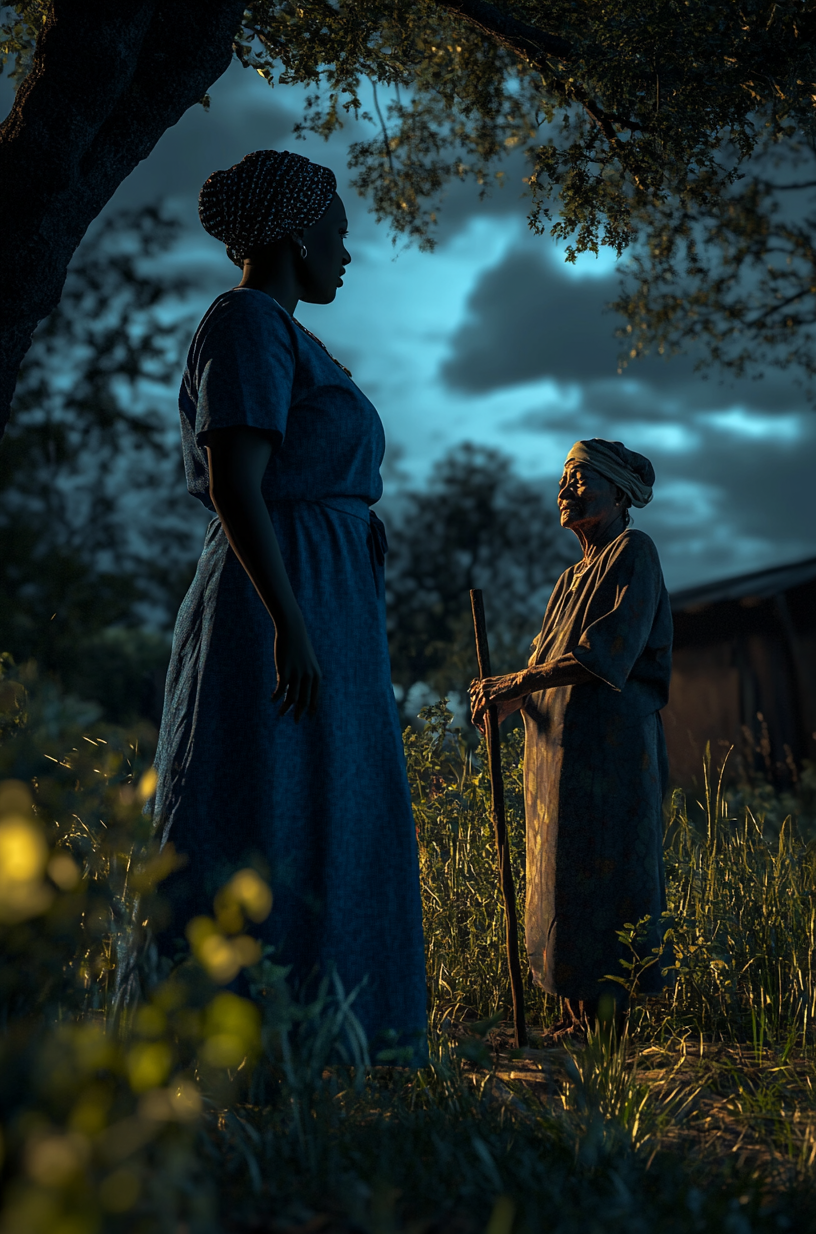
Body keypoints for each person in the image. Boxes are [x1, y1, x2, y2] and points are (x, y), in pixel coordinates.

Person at [146, 149, 426, 1062]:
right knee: (271, 794)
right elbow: (237, 484)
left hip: (326, 587)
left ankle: (339, 1028)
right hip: (285, 590)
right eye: (340, 235)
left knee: (334, 795)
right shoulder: (245, 324)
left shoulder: (288, 334)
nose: (348, 254)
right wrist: (290, 625)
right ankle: (249, 1041)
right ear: (299, 234)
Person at [469, 439, 673, 1039]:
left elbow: (603, 654)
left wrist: (515, 679)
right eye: (564, 478)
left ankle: (606, 1027)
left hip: (609, 757)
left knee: (607, 878)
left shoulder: (634, 552)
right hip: (556, 759)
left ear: (619, 493)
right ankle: (569, 1017)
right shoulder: (569, 579)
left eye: (581, 478)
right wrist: (505, 700)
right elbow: (544, 660)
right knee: (558, 881)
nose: (566, 489)